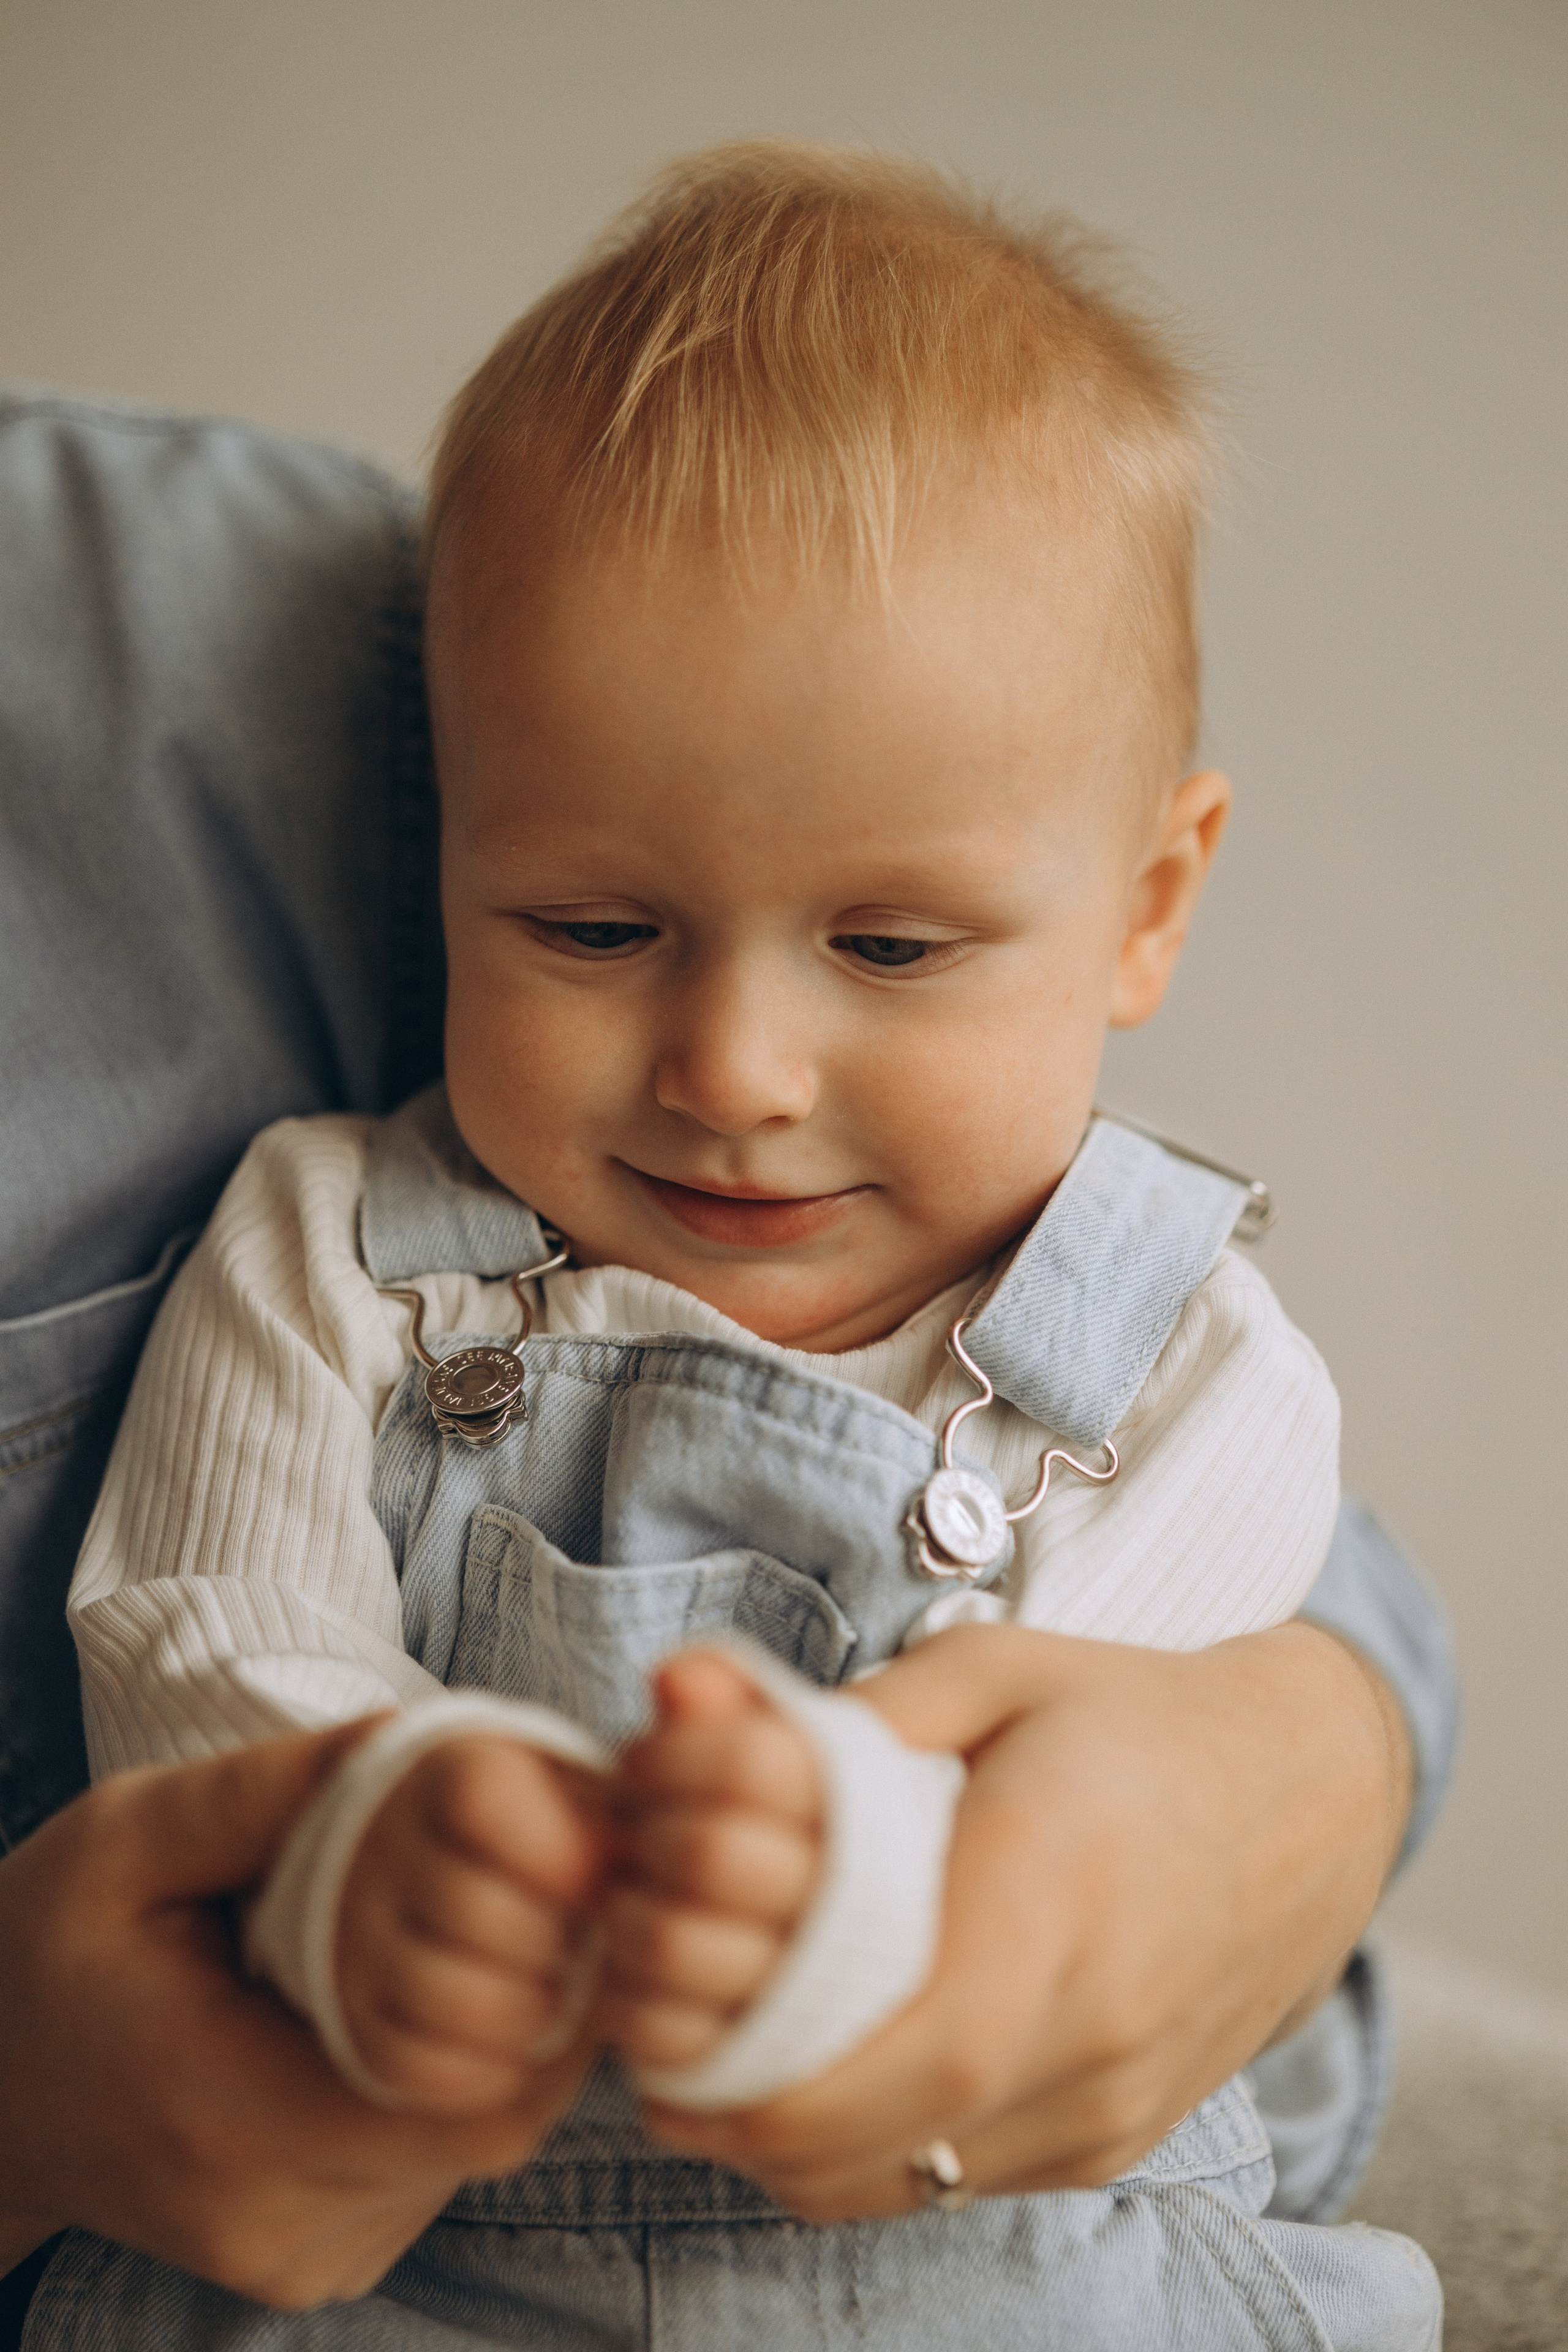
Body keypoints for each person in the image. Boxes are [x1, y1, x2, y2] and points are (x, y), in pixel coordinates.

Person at [36, 145, 1443, 2346]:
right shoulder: (345, 1250)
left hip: (991, 2247)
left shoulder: (1187, 1348)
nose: (735, 1066)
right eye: (593, 927)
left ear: (1149, 905)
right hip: (400, 2239)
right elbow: (199, 1618)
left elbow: (1124, 1725)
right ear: (448, 841)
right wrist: (378, 1826)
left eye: (888, 944)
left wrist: (861, 1858)